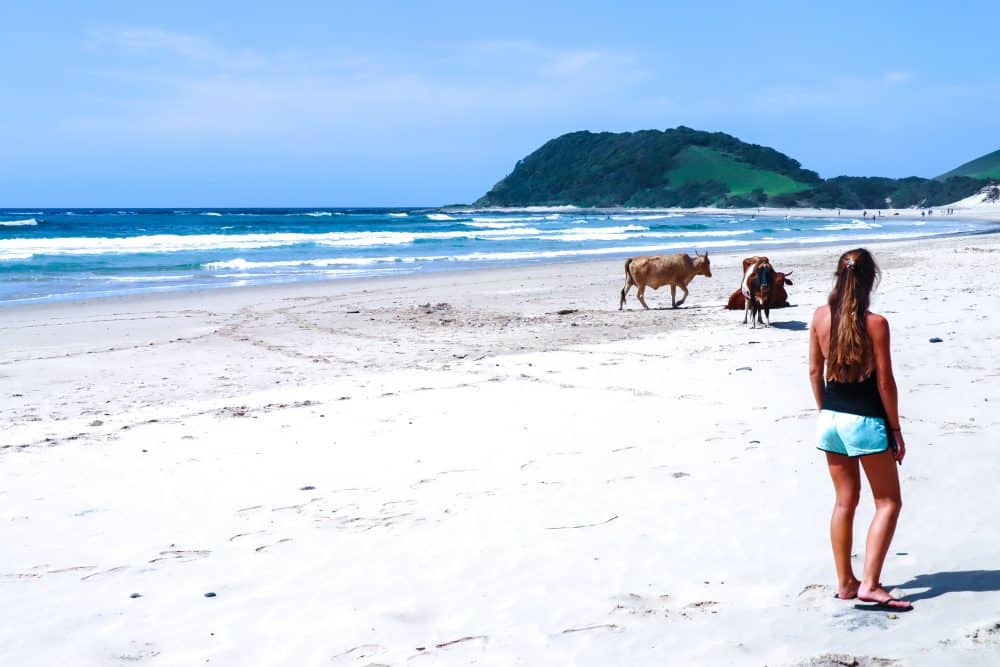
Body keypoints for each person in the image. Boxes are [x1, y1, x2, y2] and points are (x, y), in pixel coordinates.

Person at [808, 249, 912, 611]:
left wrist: (826, 413)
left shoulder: (820, 317)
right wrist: (895, 429)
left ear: (838, 277)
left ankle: (845, 582)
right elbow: (885, 383)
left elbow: (813, 372)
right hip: (866, 421)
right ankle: (869, 583)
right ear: (871, 280)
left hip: (831, 420)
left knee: (844, 502)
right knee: (887, 502)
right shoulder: (876, 323)